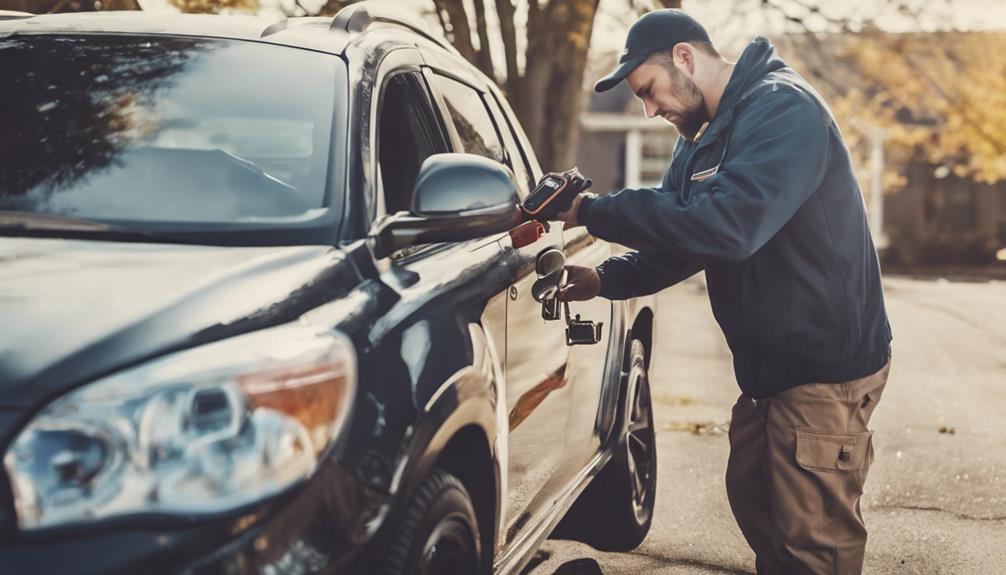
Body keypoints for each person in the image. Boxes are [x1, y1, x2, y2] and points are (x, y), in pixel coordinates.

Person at [554, 9, 893, 575]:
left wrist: (592, 212)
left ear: (685, 59)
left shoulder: (783, 109)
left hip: (822, 371)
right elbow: (683, 243)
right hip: (768, 373)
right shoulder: (702, 139)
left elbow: (729, 226)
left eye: (650, 91)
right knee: (763, 515)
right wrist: (604, 279)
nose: (649, 109)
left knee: (814, 551)